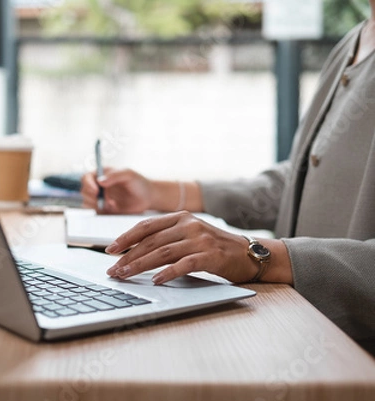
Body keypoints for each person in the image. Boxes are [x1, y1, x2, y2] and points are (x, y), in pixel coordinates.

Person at [81, 8, 375, 355]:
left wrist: (259, 257)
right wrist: (161, 192)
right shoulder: (354, 41)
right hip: (304, 339)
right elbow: (299, 182)